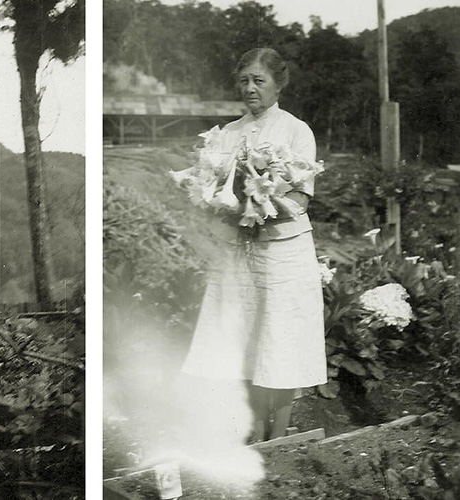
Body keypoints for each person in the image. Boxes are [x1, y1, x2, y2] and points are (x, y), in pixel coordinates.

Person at [179, 48, 327, 442]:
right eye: (244, 81)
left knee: (278, 338)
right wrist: (225, 206)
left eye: (259, 81)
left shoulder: (297, 131)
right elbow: (210, 193)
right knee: (243, 336)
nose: (250, 89)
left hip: (282, 252)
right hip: (237, 252)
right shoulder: (226, 134)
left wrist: (260, 206)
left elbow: (300, 200)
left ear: (279, 84)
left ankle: (277, 436)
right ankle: (254, 431)